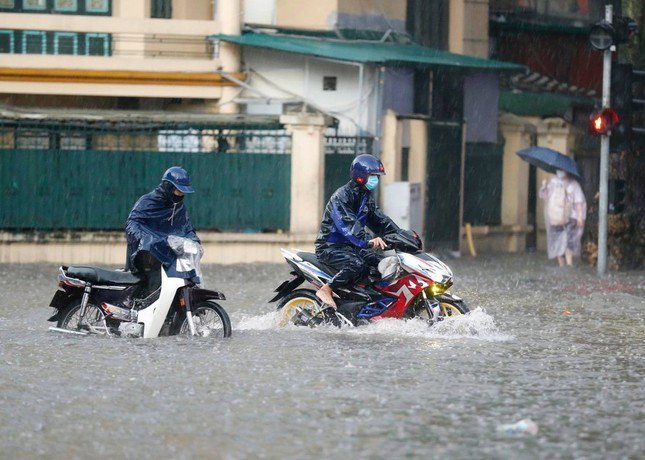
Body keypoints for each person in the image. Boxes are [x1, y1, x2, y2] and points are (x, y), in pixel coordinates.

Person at [314, 154, 401, 308]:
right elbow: (348, 225)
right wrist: (367, 240)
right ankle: (326, 289)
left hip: (351, 247)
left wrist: (401, 235)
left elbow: (380, 220)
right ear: (360, 175)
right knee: (356, 264)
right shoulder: (341, 197)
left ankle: (364, 302)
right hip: (330, 247)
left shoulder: (365, 197)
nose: (376, 180)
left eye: (377, 176)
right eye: (372, 175)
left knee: (380, 262)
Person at [125, 166, 200, 297]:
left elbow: (187, 229)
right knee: (155, 284)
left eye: (183, 192)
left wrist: (194, 241)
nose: (181, 195)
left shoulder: (179, 208)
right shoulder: (147, 202)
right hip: (147, 256)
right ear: (168, 187)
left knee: (188, 282)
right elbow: (132, 225)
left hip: (170, 256)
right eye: (178, 191)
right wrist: (146, 239)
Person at [539, 169, 587, 267]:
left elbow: (579, 202)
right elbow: (544, 196)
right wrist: (544, 186)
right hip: (556, 217)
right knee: (557, 240)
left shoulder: (574, 185)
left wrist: (580, 217)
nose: (560, 172)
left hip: (571, 217)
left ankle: (569, 264)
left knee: (569, 240)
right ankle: (562, 264)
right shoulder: (553, 183)